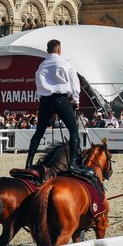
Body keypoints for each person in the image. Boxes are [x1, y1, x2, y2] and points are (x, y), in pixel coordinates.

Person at [25, 39, 92, 177]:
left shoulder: (41, 66)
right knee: (73, 130)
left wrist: (44, 101)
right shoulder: (65, 63)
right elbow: (74, 83)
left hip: (45, 101)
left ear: (47, 51)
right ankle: (72, 164)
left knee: (39, 132)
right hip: (60, 99)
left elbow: (39, 85)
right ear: (59, 50)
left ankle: (29, 163)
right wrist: (76, 100)